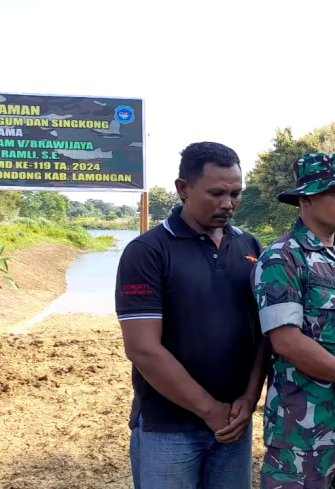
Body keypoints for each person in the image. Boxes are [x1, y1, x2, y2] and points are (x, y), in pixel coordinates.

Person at [115, 141, 269, 489]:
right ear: (183, 189)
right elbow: (143, 349)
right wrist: (210, 410)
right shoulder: (148, 252)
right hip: (167, 428)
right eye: (216, 193)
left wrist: (249, 398)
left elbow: (263, 332)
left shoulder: (249, 247)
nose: (228, 204)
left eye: (235, 193)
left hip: (234, 425)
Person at [252, 152, 335, 489]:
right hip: (303, 431)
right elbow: (286, 340)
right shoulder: (281, 257)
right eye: (334, 191)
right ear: (305, 198)